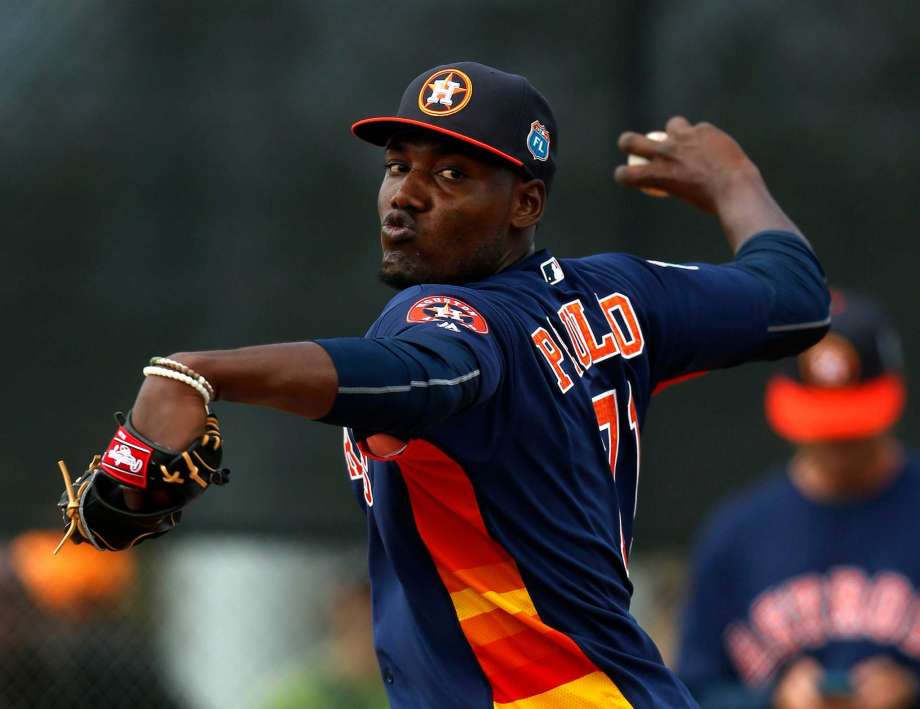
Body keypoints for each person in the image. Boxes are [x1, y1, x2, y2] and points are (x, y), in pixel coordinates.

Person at [84, 61, 830, 707]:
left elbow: (431, 371)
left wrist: (201, 373)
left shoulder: (448, 315)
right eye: (398, 164)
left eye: (451, 175)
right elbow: (796, 300)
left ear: (525, 204)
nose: (406, 194)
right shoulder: (620, 296)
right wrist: (737, 182)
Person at [676, 292, 919, 709]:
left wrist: (910, 691)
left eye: (852, 428)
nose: (838, 445)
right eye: (824, 428)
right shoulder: (736, 537)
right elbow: (692, 694)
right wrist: (774, 698)